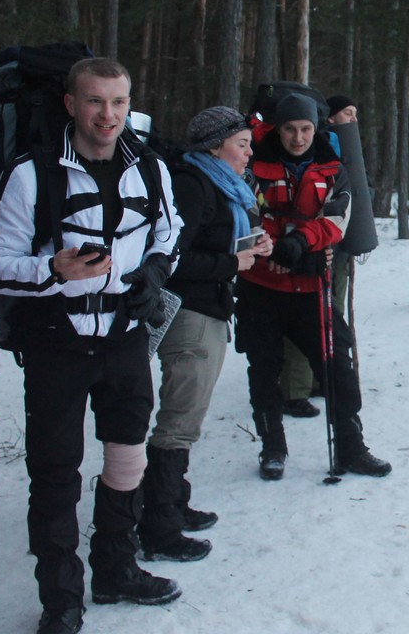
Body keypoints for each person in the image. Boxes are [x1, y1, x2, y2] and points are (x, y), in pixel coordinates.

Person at [0, 57, 184, 634]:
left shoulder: (150, 167)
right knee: (55, 474)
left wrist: (155, 273)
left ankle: (116, 568)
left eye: (118, 102)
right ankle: (61, 598)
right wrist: (53, 270)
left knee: (128, 456)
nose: (107, 115)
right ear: (71, 104)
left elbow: (169, 232)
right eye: (95, 101)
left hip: (126, 338)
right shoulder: (31, 174)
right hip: (57, 344)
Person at [137, 107, 271, 562]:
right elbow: (170, 259)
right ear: (215, 146)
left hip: (208, 310)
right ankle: (158, 526)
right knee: (180, 419)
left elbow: (212, 242)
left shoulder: (222, 185)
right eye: (241, 144)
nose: (249, 153)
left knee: (186, 416)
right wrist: (232, 262)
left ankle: (173, 502)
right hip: (188, 315)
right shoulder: (192, 185)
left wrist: (250, 246)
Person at [237, 91, 391, 480]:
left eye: (305, 129)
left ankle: (351, 447)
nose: (298, 137)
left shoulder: (332, 167)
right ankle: (273, 447)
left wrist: (302, 243)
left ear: (315, 129)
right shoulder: (255, 165)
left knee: (338, 368)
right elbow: (248, 214)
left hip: (310, 288)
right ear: (279, 129)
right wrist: (277, 246)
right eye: (290, 129)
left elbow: (336, 218)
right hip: (261, 286)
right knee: (264, 370)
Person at [278, 95, 358, 419]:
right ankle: (294, 389)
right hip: (298, 251)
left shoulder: (342, 150)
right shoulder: (324, 148)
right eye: (348, 113)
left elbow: (347, 197)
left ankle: (319, 379)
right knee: (306, 319)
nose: (353, 119)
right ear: (332, 117)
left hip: (334, 247)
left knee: (329, 317)